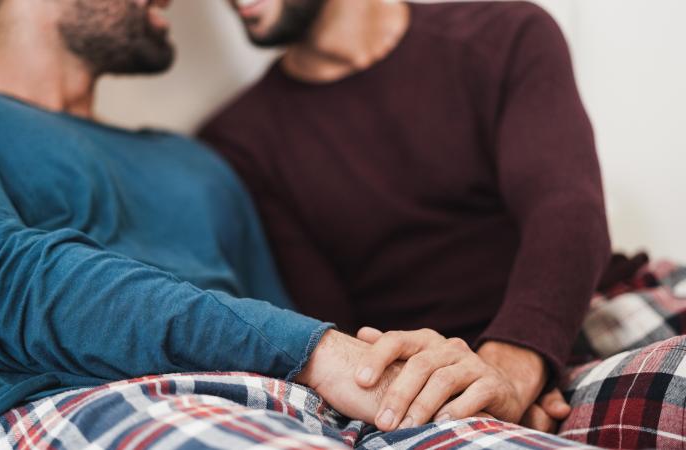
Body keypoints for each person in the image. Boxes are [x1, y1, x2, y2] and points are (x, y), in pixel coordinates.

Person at [0, 0, 570, 449]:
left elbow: (295, 322)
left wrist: (462, 394)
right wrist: (329, 357)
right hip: (72, 404)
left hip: (309, 407)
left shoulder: (199, 164)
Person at [200, 0, 611, 434]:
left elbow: (567, 209)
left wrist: (513, 369)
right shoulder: (238, 141)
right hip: (414, 391)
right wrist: (463, 394)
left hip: (556, 334)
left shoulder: (505, 34)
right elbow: (331, 324)